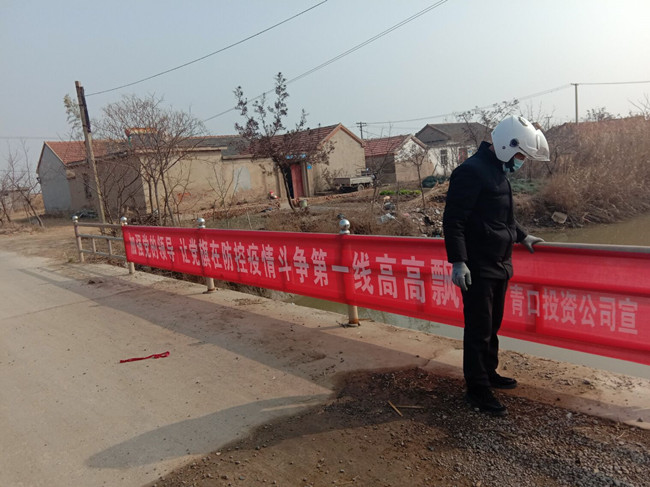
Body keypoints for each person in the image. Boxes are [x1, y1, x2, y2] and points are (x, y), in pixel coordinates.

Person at [442, 115, 549, 416]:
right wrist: (459, 262)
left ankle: (489, 372)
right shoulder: (471, 171)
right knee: (479, 328)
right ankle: (477, 389)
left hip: (500, 263)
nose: (521, 162)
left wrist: (522, 236)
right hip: (477, 266)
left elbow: (502, 216)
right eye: (520, 156)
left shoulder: (497, 171)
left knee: (493, 324)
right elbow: (454, 220)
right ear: (505, 146)